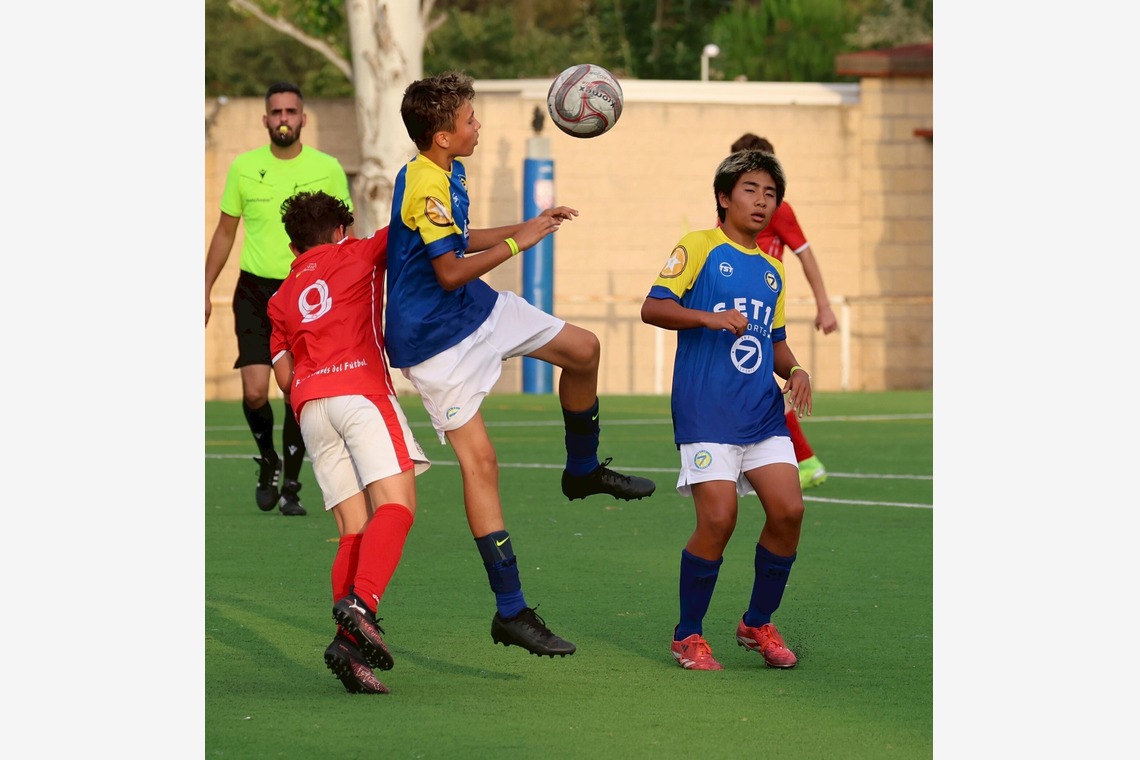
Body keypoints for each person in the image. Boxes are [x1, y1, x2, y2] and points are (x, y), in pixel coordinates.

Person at [385, 70, 657, 658]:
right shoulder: (422, 185)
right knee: (481, 465)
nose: (477, 125)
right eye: (469, 120)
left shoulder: (446, 172)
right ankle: (511, 610)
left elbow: (458, 240)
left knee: (584, 349)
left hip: (472, 309)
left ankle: (581, 471)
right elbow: (450, 268)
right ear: (441, 136)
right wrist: (520, 244)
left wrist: (524, 225)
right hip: (433, 343)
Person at [641, 149, 809, 671]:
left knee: (789, 511)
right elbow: (653, 307)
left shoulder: (773, 273)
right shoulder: (699, 247)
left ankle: (757, 622)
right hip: (706, 410)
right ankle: (686, 635)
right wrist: (705, 318)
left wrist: (797, 369)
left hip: (760, 412)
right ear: (724, 197)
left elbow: (773, 341)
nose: (762, 202)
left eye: (770, 194)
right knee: (719, 519)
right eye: (751, 190)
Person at [268, 190, 431, 694]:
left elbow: (283, 375)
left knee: (352, 530)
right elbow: (409, 231)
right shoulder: (357, 251)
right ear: (340, 230)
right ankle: (362, 606)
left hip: (311, 408)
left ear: (295, 247)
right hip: (359, 392)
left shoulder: (279, 298)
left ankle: (347, 644)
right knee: (398, 506)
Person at [205, 81, 356, 516]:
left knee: (294, 389)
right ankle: (267, 459)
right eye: (277, 112)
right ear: (266, 119)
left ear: (303, 118)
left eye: (292, 111)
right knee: (255, 392)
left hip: (305, 292)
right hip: (254, 290)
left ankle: (292, 481)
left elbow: (343, 234)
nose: (284, 118)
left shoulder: (327, 168)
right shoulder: (244, 167)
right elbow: (225, 232)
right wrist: (204, 288)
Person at [728, 133, 835, 490]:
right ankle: (783, 460)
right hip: (737, 307)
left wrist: (824, 305)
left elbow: (806, 254)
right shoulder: (731, 214)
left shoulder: (778, 210)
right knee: (747, 383)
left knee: (760, 384)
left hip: (763, 308)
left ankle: (803, 460)